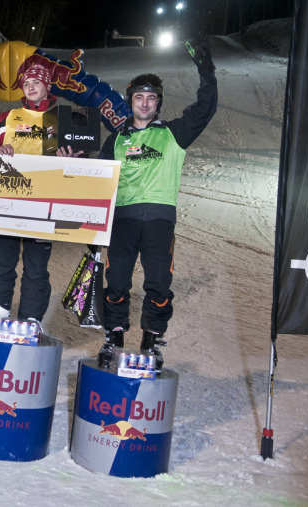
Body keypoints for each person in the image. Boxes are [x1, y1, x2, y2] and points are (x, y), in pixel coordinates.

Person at [97, 38, 218, 370]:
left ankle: (152, 341)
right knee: (117, 281)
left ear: (158, 103)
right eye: (139, 97)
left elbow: (205, 108)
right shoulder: (116, 139)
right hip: (123, 219)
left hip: (160, 220)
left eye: (151, 98)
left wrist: (206, 72)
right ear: (130, 101)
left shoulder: (174, 133)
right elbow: (96, 179)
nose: (145, 103)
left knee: (159, 284)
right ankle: (113, 338)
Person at [0, 64, 81, 323]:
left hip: (44, 204)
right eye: (26, 84)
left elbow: (81, 160)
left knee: (36, 267)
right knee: (1, 261)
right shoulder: (8, 117)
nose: (31, 87)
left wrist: (69, 158)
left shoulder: (61, 118)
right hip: (7, 201)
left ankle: (31, 319)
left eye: (37, 83)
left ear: (47, 86)